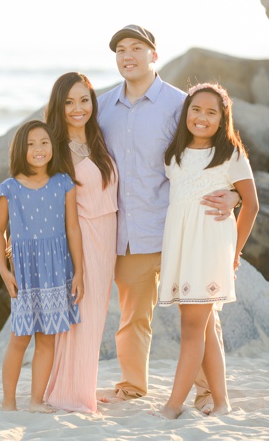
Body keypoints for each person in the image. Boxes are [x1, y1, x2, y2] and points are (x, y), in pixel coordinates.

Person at [97, 25, 241, 404]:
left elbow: (220, 151)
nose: (128, 55)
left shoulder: (181, 104)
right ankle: (132, 385)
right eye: (120, 50)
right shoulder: (103, 107)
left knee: (204, 320)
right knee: (132, 317)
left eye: (137, 48)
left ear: (154, 55)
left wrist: (235, 194)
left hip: (186, 232)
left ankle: (209, 392)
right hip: (130, 230)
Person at [156, 83, 258, 419]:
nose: (201, 117)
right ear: (185, 112)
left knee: (191, 328)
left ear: (222, 118)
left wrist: (234, 254)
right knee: (204, 329)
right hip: (183, 249)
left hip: (211, 249)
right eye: (195, 109)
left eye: (211, 112)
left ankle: (173, 406)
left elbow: (252, 204)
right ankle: (222, 402)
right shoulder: (175, 155)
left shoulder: (229, 154)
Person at [0, 120, 84, 413]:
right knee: (19, 339)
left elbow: (73, 228)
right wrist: (4, 271)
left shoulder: (63, 183)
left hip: (58, 269)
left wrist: (79, 272)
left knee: (47, 340)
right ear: (20, 149)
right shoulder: (9, 189)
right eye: (31, 144)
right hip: (25, 272)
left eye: (44, 142)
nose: (39, 149)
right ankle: (8, 402)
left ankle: (36, 401)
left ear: (53, 147)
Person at [42, 72, 118, 413]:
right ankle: (69, 395)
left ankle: (80, 385)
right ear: (59, 106)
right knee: (79, 314)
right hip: (80, 238)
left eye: (84, 100)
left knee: (93, 316)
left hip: (106, 237)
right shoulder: (54, 148)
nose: (78, 108)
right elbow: (45, 201)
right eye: (70, 102)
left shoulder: (99, 139)